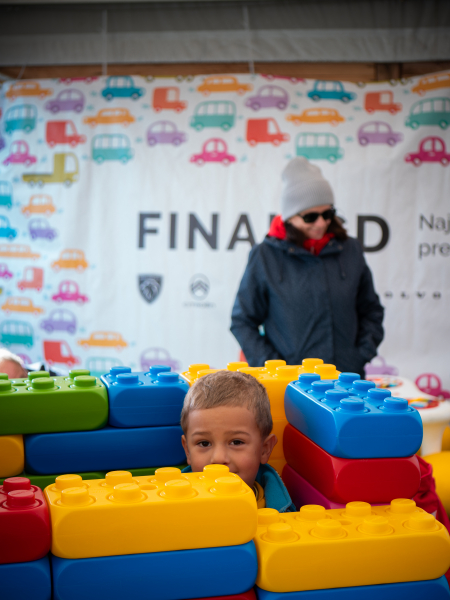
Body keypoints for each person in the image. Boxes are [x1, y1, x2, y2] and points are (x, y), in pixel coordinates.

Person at [231, 157, 384, 378]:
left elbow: (371, 311)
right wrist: (276, 369)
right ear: (290, 217)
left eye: (328, 214)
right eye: (310, 216)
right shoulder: (265, 255)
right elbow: (243, 321)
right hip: (289, 386)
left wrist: (358, 356)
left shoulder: (350, 250)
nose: (321, 223)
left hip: (344, 381)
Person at [180, 369, 296, 512]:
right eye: (204, 443)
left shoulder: (282, 510)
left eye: (236, 442)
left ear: (264, 449)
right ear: (188, 450)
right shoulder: (170, 508)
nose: (218, 458)